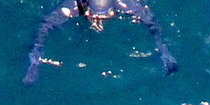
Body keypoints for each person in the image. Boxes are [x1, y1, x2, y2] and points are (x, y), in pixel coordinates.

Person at [24, 0, 176, 83]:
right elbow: (44, 28)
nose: (98, 22)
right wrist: (35, 60)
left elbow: (153, 25)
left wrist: (165, 52)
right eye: (94, 17)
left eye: (104, 17)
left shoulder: (127, 4)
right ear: (87, 9)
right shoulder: (73, 6)